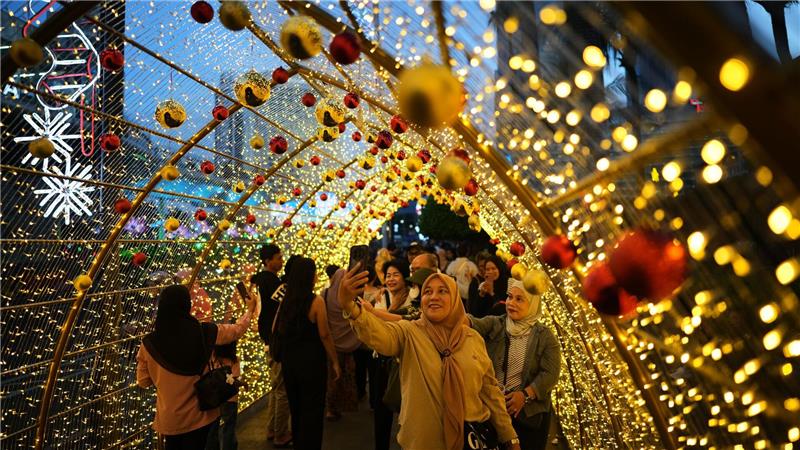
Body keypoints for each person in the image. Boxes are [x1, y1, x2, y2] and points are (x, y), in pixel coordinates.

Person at [339, 267, 521, 450]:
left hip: (471, 439)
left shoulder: (472, 338)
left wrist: (510, 436)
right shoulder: (410, 332)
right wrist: (350, 306)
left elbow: (489, 391)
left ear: (455, 299)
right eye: (428, 291)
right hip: (424, 443)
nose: (433, 297)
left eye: (442, 291)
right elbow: (379, 334)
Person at [136, 284, 256, 450]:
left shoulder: (148, 343)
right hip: (200, 415)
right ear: (187, 305)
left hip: (169, 418)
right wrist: (249, 311)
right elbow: (236, 331)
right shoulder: (205, 332)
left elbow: (143, 381)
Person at [469, 280, 561, 450]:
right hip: (494, 410)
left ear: (533, 303)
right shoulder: (497, 323)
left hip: (528, 416)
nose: (511, 303)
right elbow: (471, 323)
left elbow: (550, 373)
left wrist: (524, 395)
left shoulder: (545, 336)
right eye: (510, 297)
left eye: (519, 299)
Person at [273, 257, 341, 450]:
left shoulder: (285, 301)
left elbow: (274, 328)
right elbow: (325, 334)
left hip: (290, 362)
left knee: (296, 409)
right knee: (312, 410)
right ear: (309, 276)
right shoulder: (316, 301)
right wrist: (335, 362)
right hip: (311, 363)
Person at [364, 259, 412, 450]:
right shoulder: (381, 297)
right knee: (381, 409)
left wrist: (379, 315)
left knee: (405, 408)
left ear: (404, 277)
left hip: (403, 360)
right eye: (388, 275)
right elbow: (374, 326)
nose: (391, 279)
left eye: (396, 275)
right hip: (382, 359)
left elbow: (406, 321)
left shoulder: (412, 297)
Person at [249, 244, 291, 447]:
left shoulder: (261, 280)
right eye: (277, 257)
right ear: (267, 261)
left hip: (267, 338)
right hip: (275, 340)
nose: (281, 260)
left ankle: (272, 429)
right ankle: (280, 433)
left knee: (276, 387)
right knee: (282, 389)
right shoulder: (271, 282)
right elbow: (285, 303)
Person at [324, 267, 361, 421]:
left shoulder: (325, 294)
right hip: (350, 343)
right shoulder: (351, 298)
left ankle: (331, 408)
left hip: (331, 343)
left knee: (332, 376)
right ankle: (343, 405)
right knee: (347, 374)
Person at [205, 340, 246, 450]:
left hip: (215, 399)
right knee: (229, 427)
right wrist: (243, 383)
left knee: (213, 429)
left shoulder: (213, 358)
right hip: (230, 399)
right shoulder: (233, 359)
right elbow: (234, 380)